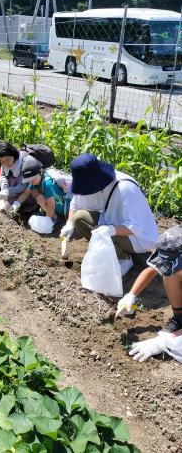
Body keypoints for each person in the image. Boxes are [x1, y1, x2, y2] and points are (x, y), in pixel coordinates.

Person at [60, 153, 158, 275]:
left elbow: (136, 227)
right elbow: (75, 204)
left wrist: (109, 230)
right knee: (79, 218)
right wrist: (69, 223)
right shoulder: (90, 182)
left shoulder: (126, 189)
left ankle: (124, 259)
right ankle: (114, 250)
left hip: (138, 237)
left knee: (100, 232)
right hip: (111, 220)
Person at [116, 226, 182, 363]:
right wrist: (131, 295)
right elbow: (152, 269)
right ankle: (180, 318)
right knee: (169, 275)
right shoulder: (175, 243)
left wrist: (162, 343)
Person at [12, 157, 72, 232]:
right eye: (29, 180)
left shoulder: (47, 183)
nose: (31, 182)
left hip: (63, 207)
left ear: (40, 171)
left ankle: (55, 219)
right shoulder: (35, 181)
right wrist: (16, 203)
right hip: (55, 204)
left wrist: (47, 220)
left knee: (40, 197)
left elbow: (51, 204)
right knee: (33, 191)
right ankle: (51, 214)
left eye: (33, 179)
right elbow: (26, 193)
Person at [0, 143, 37, 213]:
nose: (6, 163)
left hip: (27, 191)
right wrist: (4, 187)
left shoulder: (24, 164)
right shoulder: (4, 162)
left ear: (13, 155)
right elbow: (2, 175)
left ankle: (32, 205)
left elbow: (23, 186)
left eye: (7, 160)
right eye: (2, 162)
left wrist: (7, 191)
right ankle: (12, 202)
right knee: (2, 209)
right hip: (14, 189)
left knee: (6, 209)